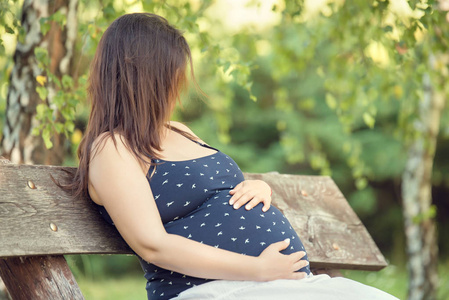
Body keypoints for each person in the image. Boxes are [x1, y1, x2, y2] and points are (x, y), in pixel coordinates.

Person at [69, 13, 398, 300]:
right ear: (145, 78)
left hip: (274, 285)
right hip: (216, 290)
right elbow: (153, 244)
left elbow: (217, 193)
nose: (178, 86)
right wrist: (258, 268)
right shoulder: (113, 148)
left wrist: (257, 188)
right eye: (173, 76)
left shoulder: (179, 129)